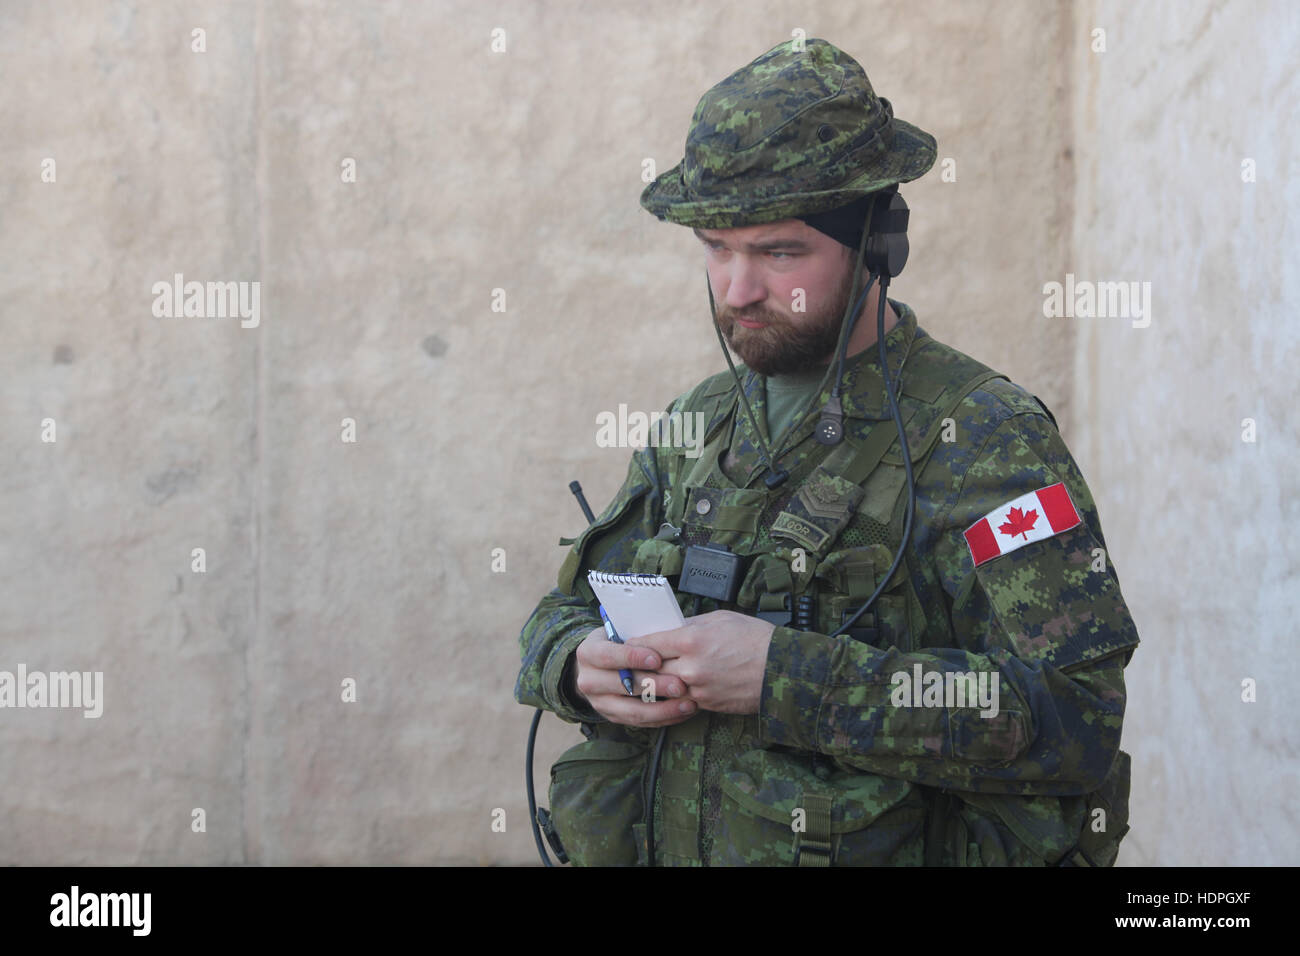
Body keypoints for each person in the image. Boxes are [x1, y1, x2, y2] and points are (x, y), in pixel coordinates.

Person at [516, 37, 1139, 867]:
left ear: (880, 243)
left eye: (778, 252)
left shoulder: (985, 438)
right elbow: (557, 618)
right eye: (716, 248)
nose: (737, 290)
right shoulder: (698, 425)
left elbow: (1072, 718)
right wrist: (577, 663)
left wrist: (786, 677)